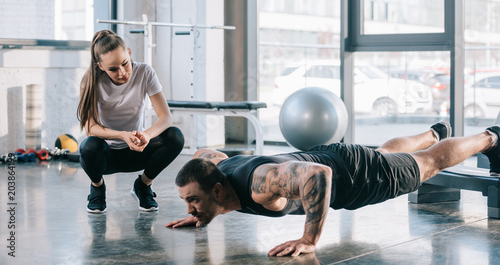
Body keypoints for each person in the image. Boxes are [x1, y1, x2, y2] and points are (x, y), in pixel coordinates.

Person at [165, 120, 500, 257]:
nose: (189, 208)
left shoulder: (260, 184)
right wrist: (201, 211)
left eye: (192, 200)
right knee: (383, 153)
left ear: (219, 191)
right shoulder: (216, 168)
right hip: (333, 154)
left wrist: (309, 239)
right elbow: (203, 155)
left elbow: (318, 176)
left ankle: (490, 138)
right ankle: (432, 131)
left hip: (354, 177)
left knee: (428, 164)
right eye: (187, 202)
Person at [77, 30, 184, 213]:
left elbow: (166, 117)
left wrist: (146, 135)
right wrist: (122, 135)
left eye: (124, 64)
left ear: (129, 52)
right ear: (100, 66)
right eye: (113, 69)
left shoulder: (145, 72)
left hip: (137, 151)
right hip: (106, 156)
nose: (122, 72)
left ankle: (143, 185)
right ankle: (97, 188)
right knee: (88, 146)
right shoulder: (91, 81)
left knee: (175, 136)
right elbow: (90, 127)